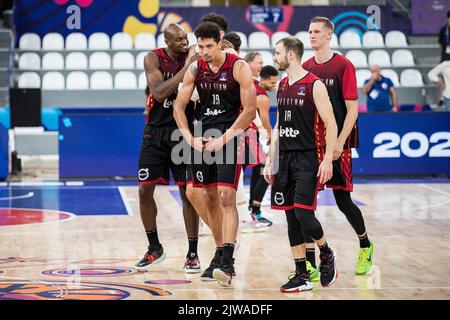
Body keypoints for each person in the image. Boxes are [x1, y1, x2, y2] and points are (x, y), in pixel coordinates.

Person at [173, 22, 256, 287]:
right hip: (203, 136)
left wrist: (225, 138)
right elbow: (178, 106)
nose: (204, 51)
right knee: (206, 195)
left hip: (230, 135)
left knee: (225, 196)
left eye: (209, 46)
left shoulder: (238, 66)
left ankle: (228, 261)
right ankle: (220, 252)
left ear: (220, 43)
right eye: (201, 46)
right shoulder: (196, 68)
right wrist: (189, 138)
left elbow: (250, 111)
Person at [264, 36, 338, 292]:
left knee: (303, 213)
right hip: (284, 158)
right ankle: (302, 274)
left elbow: (331, 123)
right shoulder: (282, 85)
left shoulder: (314, 85)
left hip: (307, 158)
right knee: (291, 218)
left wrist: (327, 158)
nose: (274, 57)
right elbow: (277, 126)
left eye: (277, 53)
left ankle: (326, 252)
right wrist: (269, 158)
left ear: (291, 55)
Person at [303, 16, 374, 278]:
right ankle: (309, 262)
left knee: (344, 202)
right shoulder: (306, 67)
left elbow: (352, 110)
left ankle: (365, 245)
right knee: (305, 204)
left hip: (338, 143)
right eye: (310, 31)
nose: (312, 35)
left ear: (329, 36)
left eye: (317, 32)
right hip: (312, 145)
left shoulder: (343, 66)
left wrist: (340, 142)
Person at [135, 23, 204, 274]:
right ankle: (155, 247)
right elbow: (160, 92)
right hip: (155, 132)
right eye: (178, 40)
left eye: (185, 38)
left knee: (188, 194)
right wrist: (187, 69)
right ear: (167, 42)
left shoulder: (195, 54)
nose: (184, 43)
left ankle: (193, 253)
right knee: (144, 191)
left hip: (183, 133)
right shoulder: (153, 58)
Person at [241, 60, 279, 232]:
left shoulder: (250, 84)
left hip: (239, 132)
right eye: (272, 82)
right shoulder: (262, 96)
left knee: (256, 169)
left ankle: (250, 209)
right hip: (248, 134)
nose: (275, 85)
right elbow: (264, 122)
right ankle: (254, 211)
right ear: (263, 80)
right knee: (266, 168)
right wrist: (271, 137)